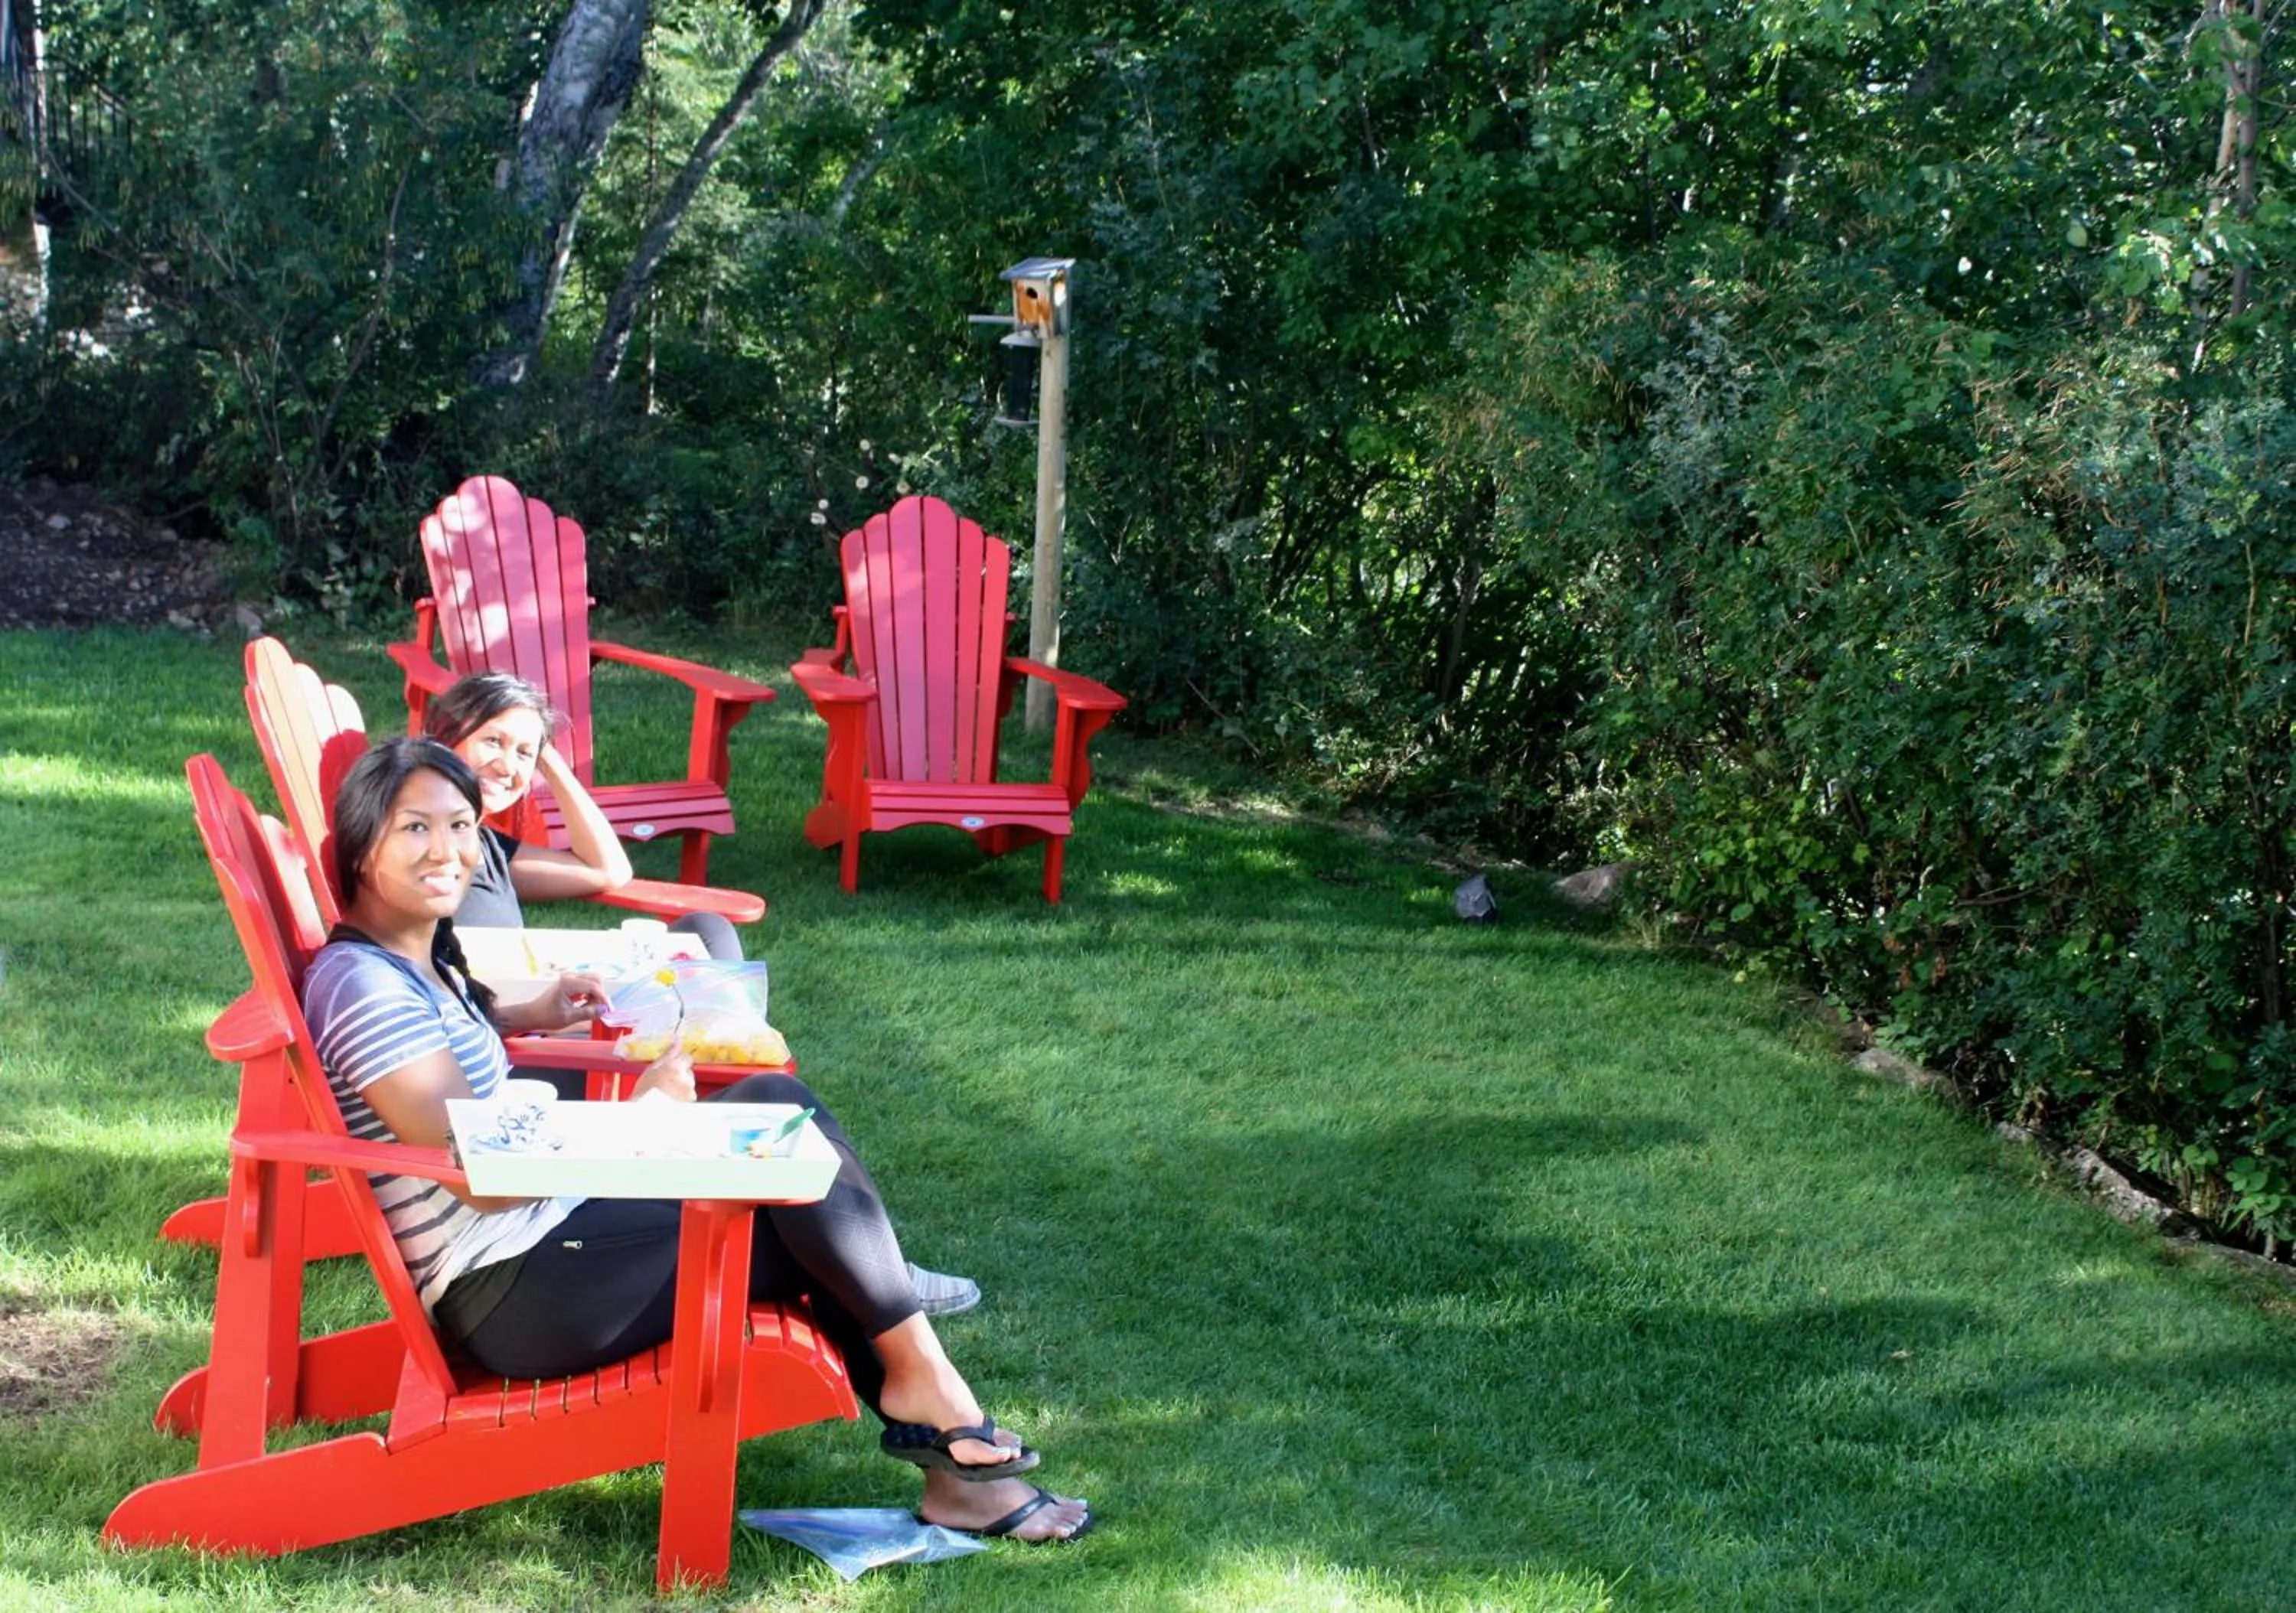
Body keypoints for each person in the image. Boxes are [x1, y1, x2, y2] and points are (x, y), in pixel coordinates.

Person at [298, 738, 1089, 1545]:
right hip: (516, 1290)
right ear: (362, 845)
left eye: (462, 825)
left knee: (776, 1103)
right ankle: (942, 1411)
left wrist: (526, 1015)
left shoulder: (418, 961)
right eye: (416, 827)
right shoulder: (364, 986)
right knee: (804, 1206)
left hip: (552, 1238)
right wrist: (640, 1119)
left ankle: (935, 1403)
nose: (447, 849)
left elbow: (453, 1078)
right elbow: (485, 1178)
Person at [420, 673, 982, 1320]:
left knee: (706, 931)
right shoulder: (433, 859)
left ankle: (728, 1088)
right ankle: (846, 1234)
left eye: (524, 751)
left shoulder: (487, 847)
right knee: (763, 1086)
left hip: (535, 1019)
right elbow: (455, 993)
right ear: (445, 739)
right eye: (492, 741)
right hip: (533, 1064)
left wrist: (546, 761)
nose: (508, 764)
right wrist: (538, 1015)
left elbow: (609, 868)